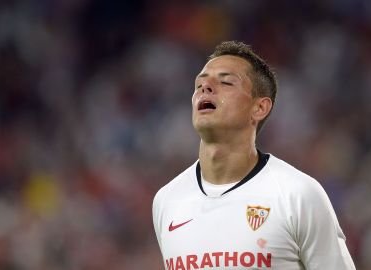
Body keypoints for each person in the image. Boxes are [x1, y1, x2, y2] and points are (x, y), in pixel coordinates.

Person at [152, 41, 356, 270]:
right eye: (199, 83)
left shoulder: (298, 194)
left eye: (225, 82)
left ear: (260, 108)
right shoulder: (167, 200)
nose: (205, 87)